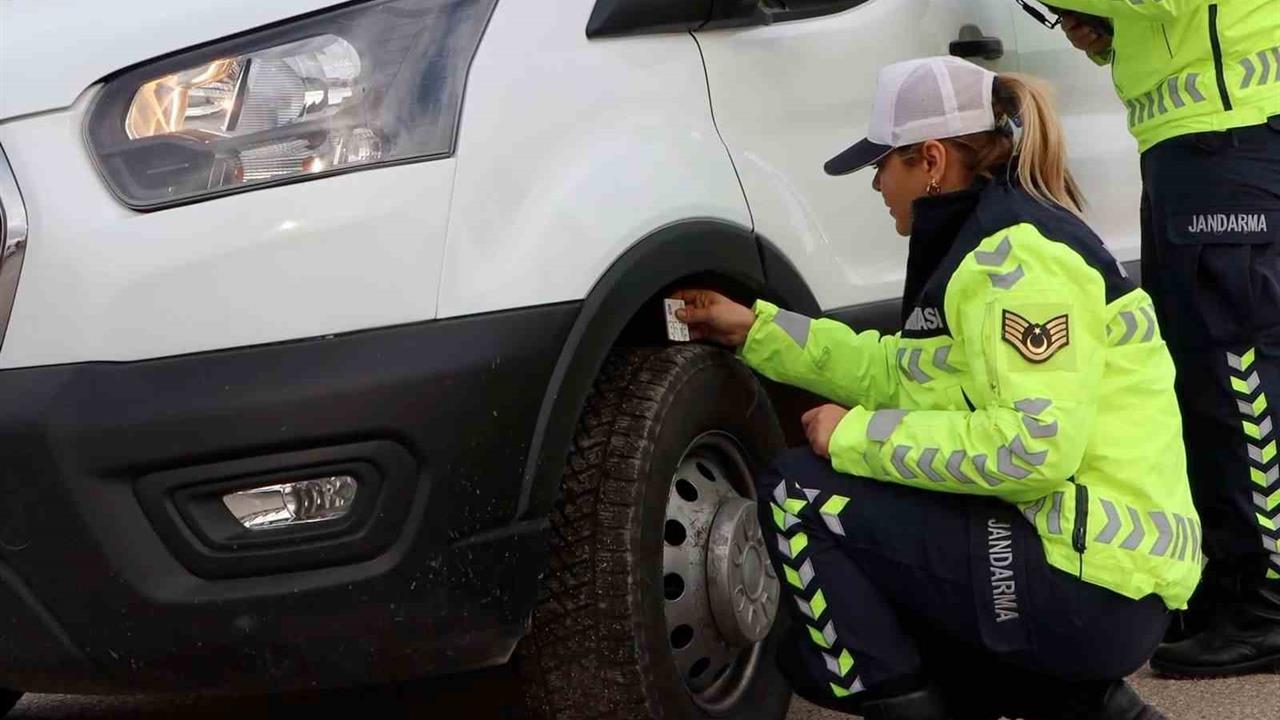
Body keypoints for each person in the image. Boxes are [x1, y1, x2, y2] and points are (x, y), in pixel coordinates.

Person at [675, 56, 1199, 720]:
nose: (874, 184)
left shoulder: (1016, 263)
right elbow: (901, 374)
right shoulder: (987, 240)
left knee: (801, 496)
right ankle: (1082, 702)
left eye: (880, 164)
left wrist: (857, 436)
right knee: (816, 654)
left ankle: (1062, 688)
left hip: (1092, 584)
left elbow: (1034, 448)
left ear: (930, 160)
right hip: (1093, 574)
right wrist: (755, 329)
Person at [1049, 0, 1280, 677]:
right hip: (1190, 142)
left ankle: (1270, 599)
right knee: (1202, 382)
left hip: (1231, 134)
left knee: (1242, 377)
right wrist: (1108, 33)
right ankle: (1240, 580)